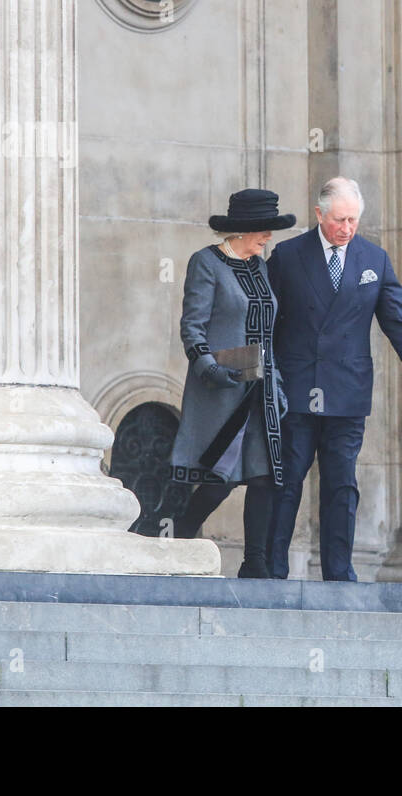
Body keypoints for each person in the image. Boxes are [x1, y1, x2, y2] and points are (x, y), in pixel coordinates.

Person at [266, 177, 402, 581]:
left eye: (354, 220)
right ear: (319, 214)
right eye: (339, 219)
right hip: (297, 391)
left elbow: (398, 319)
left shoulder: (373, 259)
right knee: (287, 481)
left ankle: (339, 575)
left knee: (342, 485)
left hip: (347, 392)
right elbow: (265, 324)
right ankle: (270, 570)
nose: (347, 228)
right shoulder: (287, 256)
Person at [168, 189, 295, 578]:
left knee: (264, 476)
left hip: (261, 391)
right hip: (222, 391)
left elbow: (269, 331)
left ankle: (254, 564)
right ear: (244, 229)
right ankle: (180, 537)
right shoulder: (206, 263)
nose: (268, 237)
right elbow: (192, 326)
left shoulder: (260, 267)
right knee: (218, 479)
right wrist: (210, 370)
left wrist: (278, 382)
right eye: (264, 230)